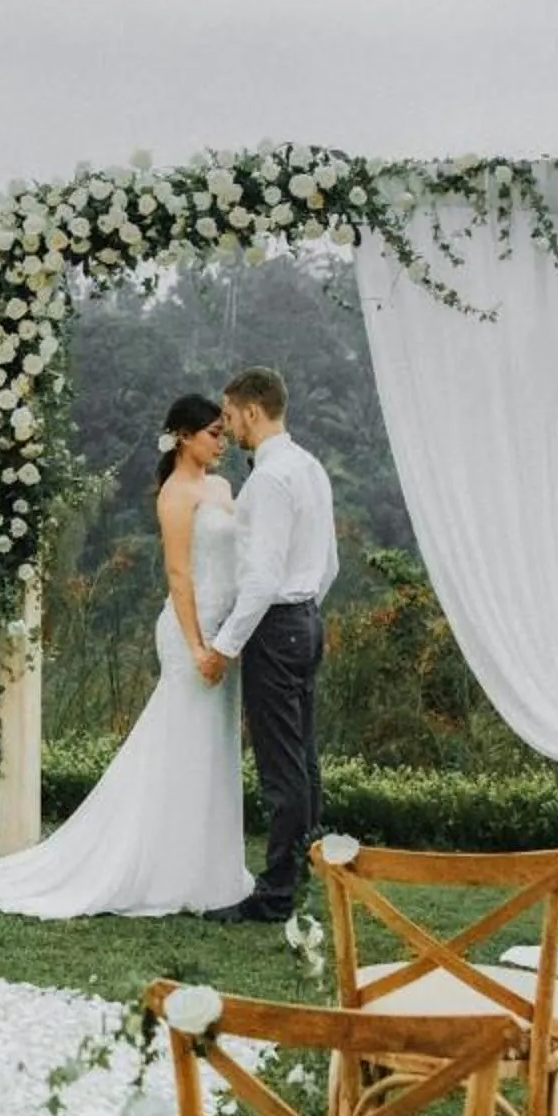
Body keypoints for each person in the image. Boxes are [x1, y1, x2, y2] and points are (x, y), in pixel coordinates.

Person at [0, 392, 255, 919]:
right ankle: (161, 869)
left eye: (222, 431)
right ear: (184, 436)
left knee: (212, 744)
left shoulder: (221, 486)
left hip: (225, 630)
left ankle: (206, 867)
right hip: (192, 630)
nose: (222, 442)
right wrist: (196, 644)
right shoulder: (175, 494)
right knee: (182, 742)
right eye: (213, 432)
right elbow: (178, 574)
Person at [198, 365, 337, 924]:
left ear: (252, 411)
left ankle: (276, 893)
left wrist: (225, 647)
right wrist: (307, 611)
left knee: (281, 768)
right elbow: (328, 562)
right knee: (302, 759)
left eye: (230, 417)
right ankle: (306, 871)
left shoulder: (268, 481)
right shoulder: (311, 468)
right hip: (305, 620)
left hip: (276, 629)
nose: (229, 429)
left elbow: (259, 580)